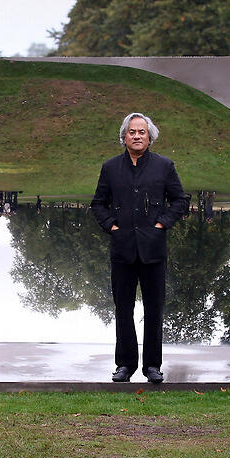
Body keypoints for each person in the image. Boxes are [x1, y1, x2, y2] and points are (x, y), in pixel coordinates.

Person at [91, 112, 189, 383]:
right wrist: (112, 227)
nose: (136, 136)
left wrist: (161, 225)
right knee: (123, 309)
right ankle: (125, 365)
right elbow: (98, 203)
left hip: (153, 250)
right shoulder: (110, 167)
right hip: (122, 250)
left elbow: (180, 201)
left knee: (154, 309)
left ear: (150, 137)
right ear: (124, 137)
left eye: (141, 132)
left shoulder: (164, 166)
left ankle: (152, 366)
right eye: (132, 132)